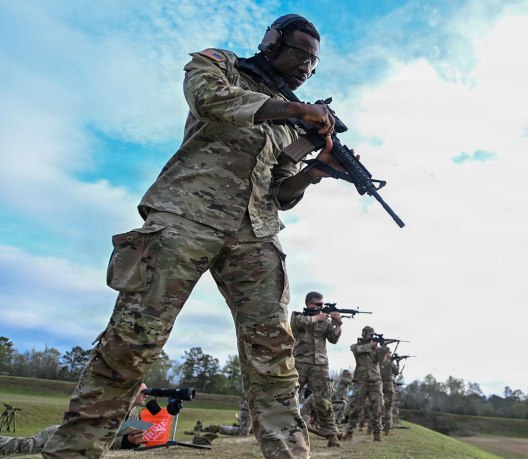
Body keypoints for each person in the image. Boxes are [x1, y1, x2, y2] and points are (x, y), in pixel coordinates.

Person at [42, 13, 346, 459]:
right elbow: (210, 100)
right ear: (272, 43)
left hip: (255, 233)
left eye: (314, 63)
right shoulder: (220, 64)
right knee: (133, 340)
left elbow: (281, 191)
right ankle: (71, 451)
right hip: (185, 215)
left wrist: (314, 172)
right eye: (301, 54)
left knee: (275, 358)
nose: (307, 67)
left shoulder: (289, 122)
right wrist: (299, 110)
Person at [0, 383, 147, 455]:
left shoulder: (133, 411)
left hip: (73, 441)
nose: (146, 395)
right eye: (143, 392)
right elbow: (92, 438)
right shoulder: (108, 409)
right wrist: (126, 441)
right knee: (20, 447)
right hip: (62, 436)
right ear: (131, 394)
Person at [290, 291, 343, 447]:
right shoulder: (298, 316)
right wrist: (316, 318)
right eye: (318, 305)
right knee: (288, 396)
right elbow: (296, 325)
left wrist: (337, 323)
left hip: (320, 366)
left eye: (322, 304)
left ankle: (332, 436)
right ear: (309, 304)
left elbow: (333, 339)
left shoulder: (325, 322)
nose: (321, 307)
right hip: (299, 362)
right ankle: (284, 432)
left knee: (324, 401)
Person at [341, 326, 389, 442]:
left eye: (373, 335)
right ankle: (349, 432)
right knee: (355, 408)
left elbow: (380, 360)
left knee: (377, 408)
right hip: (361, 380)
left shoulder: (376, 349)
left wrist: (383, 347)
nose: (372, 337)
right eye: (370, 335)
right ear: (364, 335)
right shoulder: (357, 346)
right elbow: (355, 350)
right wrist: (370, 346)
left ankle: (377, 434)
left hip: (375, 381)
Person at [380, 349, 400, 435]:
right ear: (386, 353)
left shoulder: (379, 361)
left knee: (378, 407)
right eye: (389, 353)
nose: (390, 354)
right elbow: (396, 371)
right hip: (388, 385)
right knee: (388, 408)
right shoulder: (390, 362)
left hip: (379, 384)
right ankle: (387, 429)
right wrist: (398, 362)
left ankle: (374, 428)